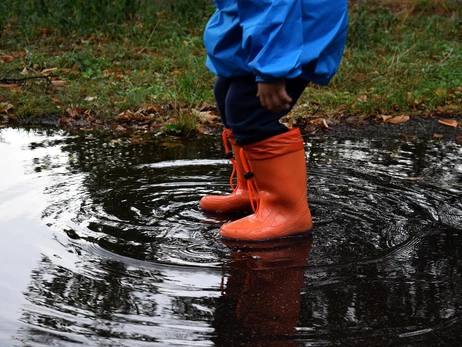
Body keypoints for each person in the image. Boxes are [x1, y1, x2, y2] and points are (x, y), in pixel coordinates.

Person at [200, 0, 348, 241]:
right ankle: (254, 190)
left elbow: (274, 5)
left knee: (249, 110)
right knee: (226, 91)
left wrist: (272, 69)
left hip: (293, 30)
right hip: (267, 26)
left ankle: (287, 212)